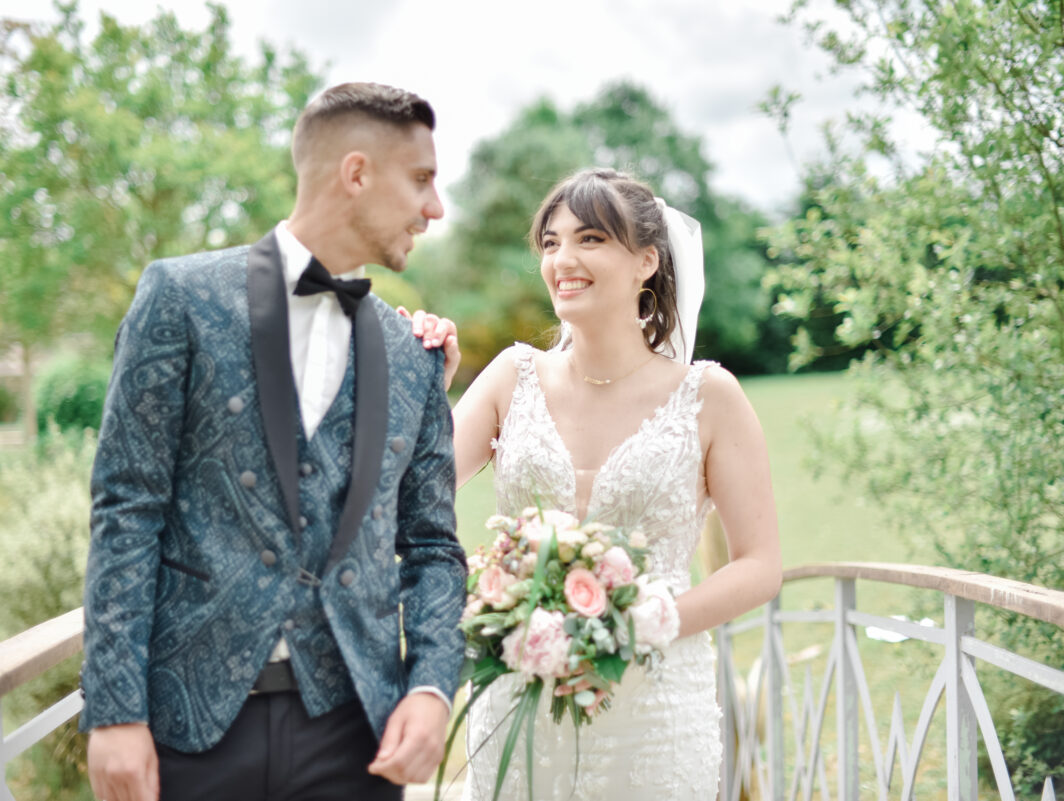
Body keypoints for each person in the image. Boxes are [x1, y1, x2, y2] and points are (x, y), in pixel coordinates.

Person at [80, 82, 467, 801]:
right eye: (421, 180)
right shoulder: (180, 297)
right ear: (356, 174)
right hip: (191, 727)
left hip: (355, 734)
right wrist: (115, 708)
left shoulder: (415, 353)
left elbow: (434, 546)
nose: (434, 208)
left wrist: (434, 685)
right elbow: (127, 505)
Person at [410, 167, 782, 800]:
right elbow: (407, 496)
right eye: (551, 243)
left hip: (655, 715)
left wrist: (647, 621)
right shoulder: (512, 376)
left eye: (589, 239)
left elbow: (760, 565)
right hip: (521, 706)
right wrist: (419, 389)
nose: (563, 259)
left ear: (646, 260)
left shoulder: (709, 397)